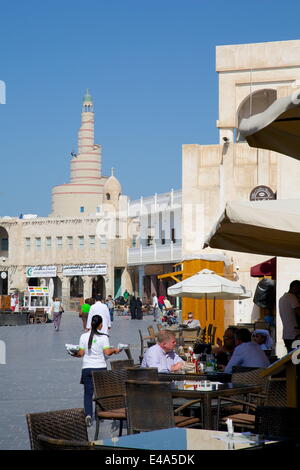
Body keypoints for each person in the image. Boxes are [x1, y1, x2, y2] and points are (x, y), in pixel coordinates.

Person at [75, 315, 121, 427]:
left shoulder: (83, 336)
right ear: (100, 325)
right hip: (100, 367)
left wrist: (73, 353)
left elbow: (80, 354)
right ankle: (99, 414)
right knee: (99, 392)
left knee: (88, 393)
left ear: (91, 324)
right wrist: (115, 350)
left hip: (87, 368)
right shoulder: (104, 337)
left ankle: (88, 415)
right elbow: (107, 352)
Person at [279, 280, 300, 352]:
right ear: (295, 287)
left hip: (286, 334)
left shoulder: (282, 298)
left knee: (290, 358)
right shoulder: (292, 297)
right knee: (296, 359)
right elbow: (298, 312)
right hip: (295, 334)